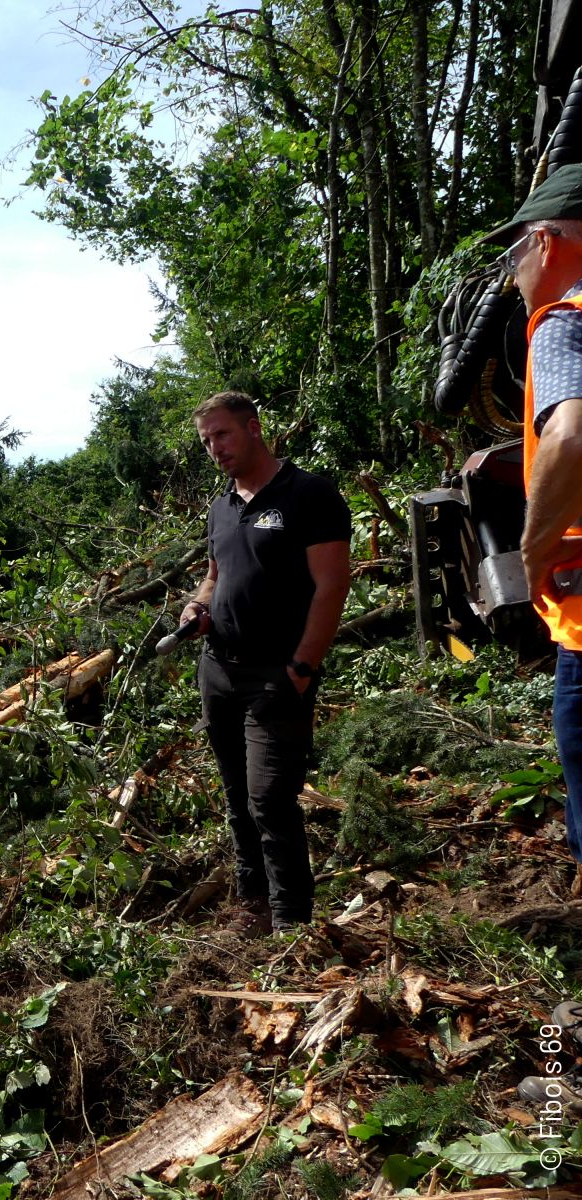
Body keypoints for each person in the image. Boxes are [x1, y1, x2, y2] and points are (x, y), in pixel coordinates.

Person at [480, 163, 582, 1111]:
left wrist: (534, 542)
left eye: (518, 249)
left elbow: (572, 433)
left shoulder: (562, 319)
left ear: (546, 243)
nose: (514, 268)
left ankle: (566, 1077)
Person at [180, 393, 351, 936]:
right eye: (206, 441)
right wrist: (197, 607)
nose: (215, 448)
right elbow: (214, 575)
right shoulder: (221, 507)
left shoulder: (309, 494)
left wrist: (302, 668)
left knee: (271, 799)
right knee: (237, 796)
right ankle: (252, 906)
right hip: (218, 670)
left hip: (277, 675)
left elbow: (331, 587)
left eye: (222, 434)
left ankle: (291, 924)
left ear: (253, 428)